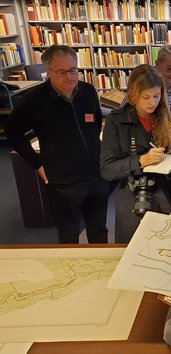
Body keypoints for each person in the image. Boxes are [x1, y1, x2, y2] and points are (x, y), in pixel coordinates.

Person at [5, 44, 108, 244]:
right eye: (61, 71)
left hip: (96, 175)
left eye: (73, 70)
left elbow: (95, 125)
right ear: (48, 72)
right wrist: (37, 164)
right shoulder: (34, 100)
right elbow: (13, 133)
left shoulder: (88, 91)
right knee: (69, 235)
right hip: (63, 182)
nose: (69, 76)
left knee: (99, 230)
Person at [100, 64, 171, 243]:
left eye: (156, 96)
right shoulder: (116, 121)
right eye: (145, 97)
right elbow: (107, 170)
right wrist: (141, 161)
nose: (152, 102)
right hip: (133, 198)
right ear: (133, 94)